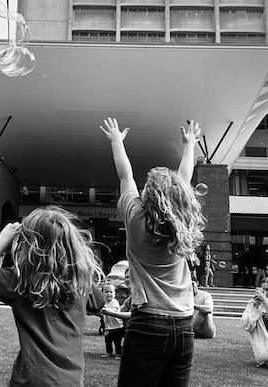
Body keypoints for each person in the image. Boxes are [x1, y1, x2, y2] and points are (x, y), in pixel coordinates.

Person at [100, 117, 206, 387]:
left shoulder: (136, 220)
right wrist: (189, 145)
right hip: (184, 324)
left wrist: (116, 141)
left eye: (146, 187)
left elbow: (125, 175)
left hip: (148, 322)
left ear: (148, 197)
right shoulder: (181, 225)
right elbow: (184, 178)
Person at [0, 206, 106, 387]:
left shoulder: (20, 282)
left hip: (31, 379)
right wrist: (79, 267)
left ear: (28, 245)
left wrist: (1, 241)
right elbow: (99, 303)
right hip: (71, 381)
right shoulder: (80, 284)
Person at [100, 283, 124, 358]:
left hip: (117, 327)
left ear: (115, 294)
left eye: (111, 292)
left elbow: (113, 311)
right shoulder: (103, 303)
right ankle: (109, 352)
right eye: (106, 292)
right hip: (107, 326)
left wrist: (105, 310)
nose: (109, 294)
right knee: (108, 341)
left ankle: (118, 353)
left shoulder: (114, 302)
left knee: (117, 341)